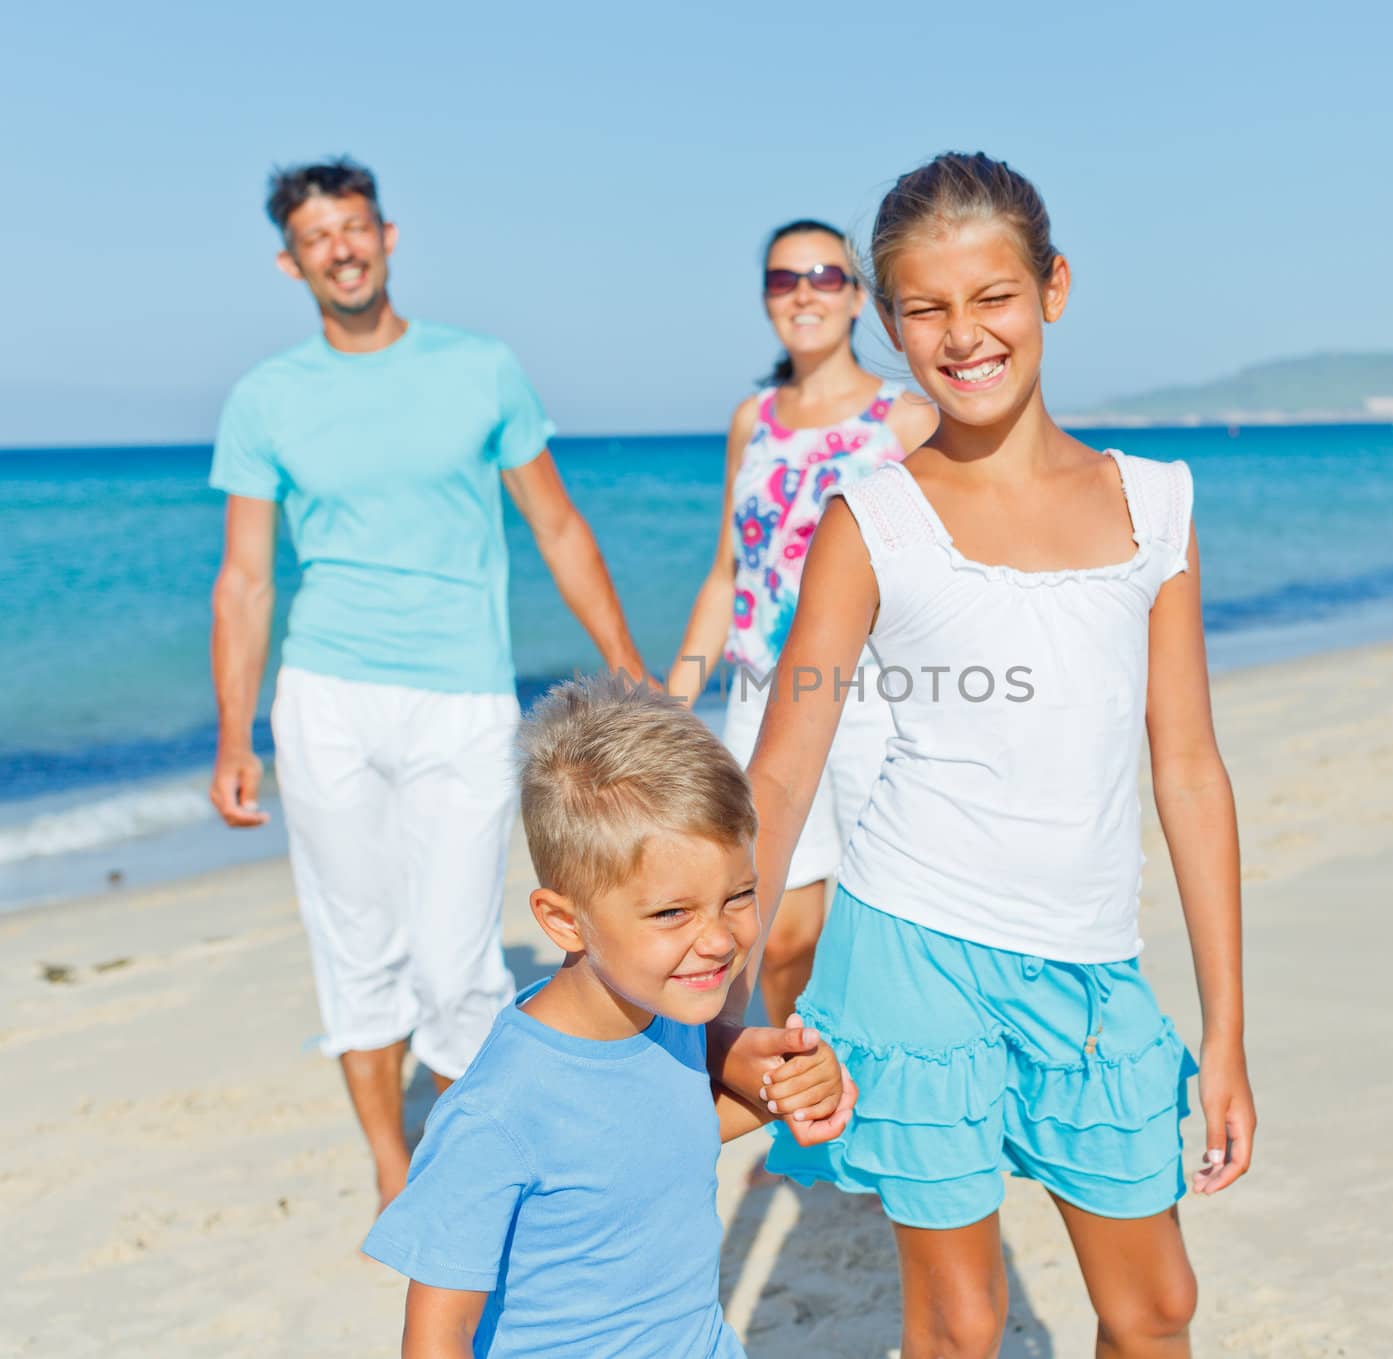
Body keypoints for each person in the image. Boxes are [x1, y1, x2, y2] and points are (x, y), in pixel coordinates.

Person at [734, 153, 1257, 1358]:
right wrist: (707, 991)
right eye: (925, 309)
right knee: (962, 1325)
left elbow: (1186, 768)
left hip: (1090, 968)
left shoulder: (1155, 505)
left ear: (1052, 289)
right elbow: (781, 770)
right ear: (887, 321)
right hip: (913, 949)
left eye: (992, 298)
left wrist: (1224, 1031)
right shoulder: (871, 520)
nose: (962, 336)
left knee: (1155, 1308)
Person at [207, 158, 652, 1210]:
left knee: (456, 965)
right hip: (327, 698)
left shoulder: (481, 368)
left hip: (461, 697)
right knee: (353, 940)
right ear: (291, 260)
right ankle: (391, 1165)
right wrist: (236, 735)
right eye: (319, 238)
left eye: (355, 227)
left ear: (388, 235)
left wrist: (625, 664)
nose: (342, 249)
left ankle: (455, 1154)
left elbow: (555, 524)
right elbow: (245, 578)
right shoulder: (266, 397)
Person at [362, 674, 854, 1358]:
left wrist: (791, 1088)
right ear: (565, 921)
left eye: (739, 895)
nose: (717, 938)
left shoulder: (662, 1015)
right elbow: (437, 1335)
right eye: (672, 912)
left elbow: (659, 1138)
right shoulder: (497, 1114)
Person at [668, 219, 937, 1024]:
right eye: (785, 280)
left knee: (885, 923)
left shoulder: (908, 421)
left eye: (825, 275)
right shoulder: (752, 419)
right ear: (766, 300)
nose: (805, 293)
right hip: (761, 697)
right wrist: (673, 707)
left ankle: (868, 1105)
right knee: (777, 934)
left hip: (872, 698)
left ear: (859, 297)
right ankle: (796, 1098)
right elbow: (728, 577)